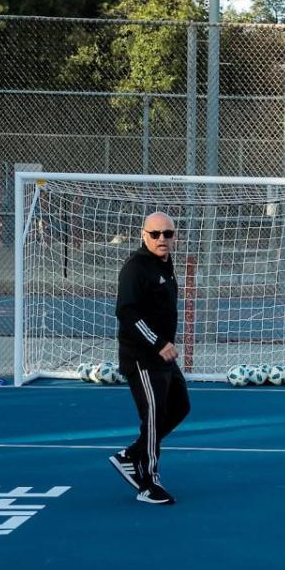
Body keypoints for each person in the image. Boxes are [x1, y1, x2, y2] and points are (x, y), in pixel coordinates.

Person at [108, 211, 190, 505]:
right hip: (142, 356)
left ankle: (131, 455)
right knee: (153, 417)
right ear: (144, 235)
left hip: (162, 356)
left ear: (175, 236)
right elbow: (126, 312)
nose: (162, 239)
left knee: (180, 406)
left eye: (167, 234)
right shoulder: (136, 267)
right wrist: (158, 343)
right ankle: (148, 483)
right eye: (155, 234)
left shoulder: (165, 264)